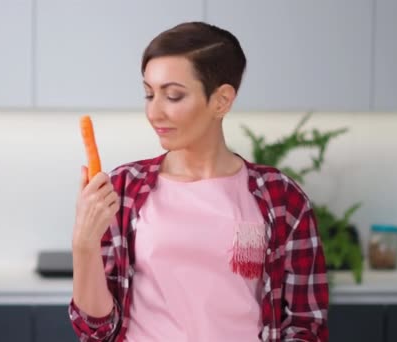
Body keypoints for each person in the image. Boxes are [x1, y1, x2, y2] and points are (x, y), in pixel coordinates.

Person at [69, 21, 329, 342]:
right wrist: (84, 245)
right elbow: (96, 331)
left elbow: (306, 324)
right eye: (149, 94)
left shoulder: (281, 197)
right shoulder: (123, 189)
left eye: (173, 96)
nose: (154, 112)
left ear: (221, 101)